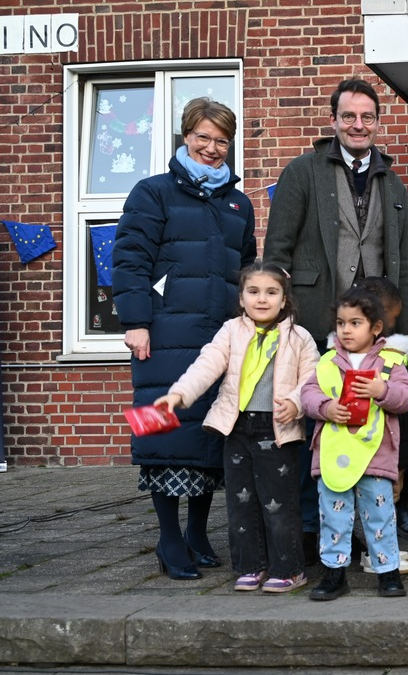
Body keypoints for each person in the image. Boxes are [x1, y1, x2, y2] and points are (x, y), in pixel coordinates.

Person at [264, 79, 408, 561]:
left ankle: (366, 535)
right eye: (349, 116)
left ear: (377, 123)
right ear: (333, 120)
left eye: (367, 117)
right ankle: (314, 532)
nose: (358, 125)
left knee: (371, 425)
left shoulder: (392, 182)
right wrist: (278, 320)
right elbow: (277, 251)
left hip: (374, 329)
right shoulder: (302, 170)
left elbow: (405, 265)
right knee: (317, 422)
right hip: (315, 318)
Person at [113, 97, 256, 580]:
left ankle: (197, 533)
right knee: (164, 429)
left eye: (222, 141)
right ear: (185, 136)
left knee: (209, 432)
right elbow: (129, 259)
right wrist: (135, 321)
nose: (212, 148)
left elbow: (246, 270)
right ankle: (169, 538)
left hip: (219, 334)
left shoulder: (238, 202)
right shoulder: (152, 192)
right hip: (164, 331)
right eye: (203, 138)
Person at [156, 262, 318, 592]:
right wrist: (178, 394)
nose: (262, 299)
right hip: (236, 427)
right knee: (241, 503)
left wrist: (296, 403)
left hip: (278, 429)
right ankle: (250, 565)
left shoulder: (299, 337)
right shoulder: (231, 331)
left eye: (271, 292)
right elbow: (207, 363)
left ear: (284, 299)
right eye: (253, 292)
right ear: (241, 298)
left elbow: (313, 378)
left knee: (279, 504)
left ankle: (288, 569)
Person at [301, 287, 408, 600]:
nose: (346, 330)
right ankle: (334, 573)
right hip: (333, 455)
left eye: (355, 323)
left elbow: (407, 397)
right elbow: (308, 394)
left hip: (375, 455)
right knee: (333, 516)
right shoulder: (327, 361)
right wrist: (326, 408)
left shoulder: (391, 362)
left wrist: (382, 390)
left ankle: (388, 572)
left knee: (380, 515)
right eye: (341, 323)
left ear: (375, 327)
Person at [357, 276, 408, 558]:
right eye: (394, 316)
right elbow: (405, 381)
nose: (395, 322)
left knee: (391, 491)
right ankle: (379, 552)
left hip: (395, 434)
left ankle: (386, 547)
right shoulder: (387, 350)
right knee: (386, 492)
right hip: (389, 434)